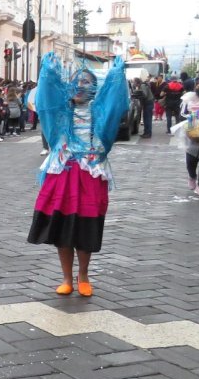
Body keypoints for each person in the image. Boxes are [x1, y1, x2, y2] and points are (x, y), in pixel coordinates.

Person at [27, 54, 129, 297]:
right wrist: (48, 72)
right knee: (62, 229)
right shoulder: (59, 112)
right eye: (76, 81)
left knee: (86, 228)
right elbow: (45, 98)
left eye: (86, 82)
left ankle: (83, 276)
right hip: (62, 172)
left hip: (90, 174)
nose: (80, 86)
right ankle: (66, 278)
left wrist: (116, 76)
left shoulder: (100, 113)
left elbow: (115, 105)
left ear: (94, 88)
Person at [136, 70, 155, 138]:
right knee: (146, 118)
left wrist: (138, 94)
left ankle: (148, 133)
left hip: (148, 103)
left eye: (135, 83)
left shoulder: (143, 86)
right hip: (148, 103)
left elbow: (145, 95)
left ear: (137, 83)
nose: (134, 85)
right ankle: (146, 132)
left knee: (147, 119)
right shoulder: (143, 85)